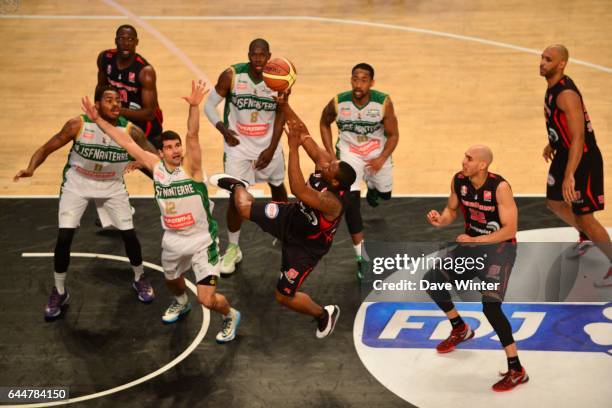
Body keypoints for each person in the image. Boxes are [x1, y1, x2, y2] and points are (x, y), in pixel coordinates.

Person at [81, 80, 240, 343]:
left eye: (177, 146)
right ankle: (181, 302)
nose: (176, 150)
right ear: (161, 151)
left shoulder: (192, 169)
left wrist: (194, 107)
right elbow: (123, 139)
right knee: (172, 280)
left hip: (202, 241)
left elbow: (192, 135)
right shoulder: (155, 167)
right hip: (173, 239)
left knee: (207, 299)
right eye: (169, 147)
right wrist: (98, 121)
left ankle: (230, 314)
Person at [209, 98, 356, 338]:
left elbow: (298, 189)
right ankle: (238, 184)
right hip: (291, 217)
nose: (327, 164)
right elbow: (302, 131)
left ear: (335, 182)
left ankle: (323, 314)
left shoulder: (333, 203)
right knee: (243, 207)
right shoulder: (329, 167)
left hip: (305, 247)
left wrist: (293, 148)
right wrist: (284, 104)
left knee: (283, 295)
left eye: (331, 168)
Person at [14, 86, 155, 321]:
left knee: (129, 235)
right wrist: (31, 168)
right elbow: (48, 147)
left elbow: (153, 162)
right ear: (97, 104)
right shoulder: (78, 125)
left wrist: (165, 184)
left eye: (118, 100)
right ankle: (59, 291)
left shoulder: (131, 131)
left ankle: (139, 278)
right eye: (109, 100)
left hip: (111, 185)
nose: (115, 104)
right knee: (64, 237)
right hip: (78, 183)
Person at [424, 145, 528, 392]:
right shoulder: (459, 181)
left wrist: (474, 240)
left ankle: (517, 369)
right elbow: (451, 209)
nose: (463, 162)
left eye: (469, 159)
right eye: (464, 157)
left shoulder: (500, 188)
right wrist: (441, 220)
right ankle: (460, 329)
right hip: (473, 247)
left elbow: (510, 230)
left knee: (491, 308)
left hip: (499, 252)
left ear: (483, 165)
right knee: (432, 279)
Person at [204, 38, 288, 274]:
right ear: (248, 54)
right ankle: (233, 248)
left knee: (278, 186)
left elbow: (282, 115)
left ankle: (283, 230)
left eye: (262, 55)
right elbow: (209, 106)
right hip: (238, 146)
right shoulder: (232, 75)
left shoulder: (279, 79)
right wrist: (222, 128)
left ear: (269, 56)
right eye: (254, 54)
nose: (258, 59)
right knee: (235, 197)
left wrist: (271, 149)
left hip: (267, 145)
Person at [540, 44, 611, 287]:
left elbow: (579, 137)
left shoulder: (566, 94)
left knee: (586, 217)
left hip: (582, 159)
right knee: (554, 202)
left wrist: (570, 174)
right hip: (563, 153)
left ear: (561, 65)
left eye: (548, 59)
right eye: (542, 57)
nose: (542, 62)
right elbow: (561, 124)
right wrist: (552, 142)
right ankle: (585, 235)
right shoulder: (552, 87)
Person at [320, 63, 399, 280]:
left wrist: (382, 158)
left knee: (385, 194)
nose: (358, 84)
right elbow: (324, 123)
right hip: (349, 154)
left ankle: (374, 189)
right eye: (355, 79)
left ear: (371, 83)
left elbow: (393, 135)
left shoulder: (383, 102)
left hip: (376, 153)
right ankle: (360, 256)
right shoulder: (339, 101)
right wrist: (330, 154)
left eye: (364, 80)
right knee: (351, 202)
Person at [96, 24, 165, 227]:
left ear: (136, 42)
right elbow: (100, 87)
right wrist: (100, 111)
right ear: (115, 39)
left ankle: (182, 198)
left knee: (157, 172)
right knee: (100, 165)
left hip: (146, 128)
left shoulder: (144, 71)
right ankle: (117, 211)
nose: (124, 43)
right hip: (118, 124)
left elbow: (149, 112)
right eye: (121, 38)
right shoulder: (105, 59)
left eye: (129, 39)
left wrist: (115, 111)